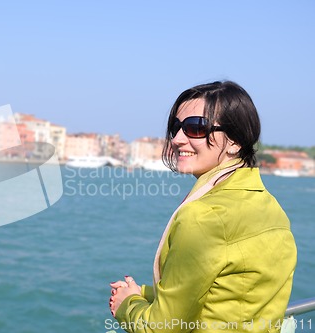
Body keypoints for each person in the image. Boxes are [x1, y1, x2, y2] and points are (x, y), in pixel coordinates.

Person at [108, 81, 297, 333]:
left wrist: (127, 304)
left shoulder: (202, 216)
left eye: (195, 127)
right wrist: (142, 292)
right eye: (176, 127)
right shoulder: (271, 207)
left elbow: (160, 327)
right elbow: (230, 297)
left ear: (235, 141)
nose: (176, 139)